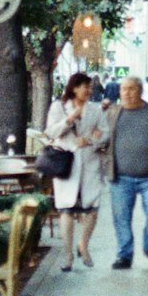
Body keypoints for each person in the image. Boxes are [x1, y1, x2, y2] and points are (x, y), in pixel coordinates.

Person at [105, 75, 148, 269]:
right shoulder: (112, 114)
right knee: (121, 217)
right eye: (123, 89)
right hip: (120, 176)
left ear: (140, 91)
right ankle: (124, 255)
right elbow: (100, 135)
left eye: (131, 88)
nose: (127, 93)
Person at [45, 72, 109, 270]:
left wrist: (92, 139)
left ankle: (83, 245)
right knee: (66, 209)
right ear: (74, 87)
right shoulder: (59, 107)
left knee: (92, 207)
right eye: (84, 86)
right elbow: (50, 133)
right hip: (67, 162)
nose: (88, 90)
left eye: (90, 87)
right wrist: (70, 119)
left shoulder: (95, 110)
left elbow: (105, 133)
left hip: (90, 162)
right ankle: (68, 255)